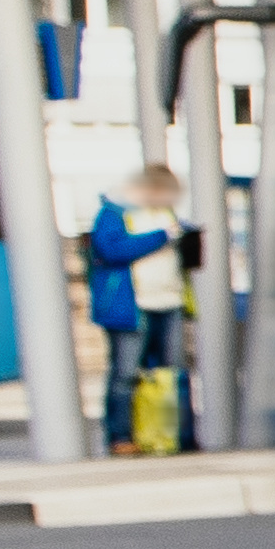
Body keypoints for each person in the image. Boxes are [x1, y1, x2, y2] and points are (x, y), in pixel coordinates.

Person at [80, 163, 183, 454]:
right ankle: (120, 436)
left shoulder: (166, 214)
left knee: (166, 375)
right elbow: (112, 250)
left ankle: (166, 434)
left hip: (168, 301)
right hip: (131, 306)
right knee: (124, 375)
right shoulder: (115, 212)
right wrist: (162, 236)